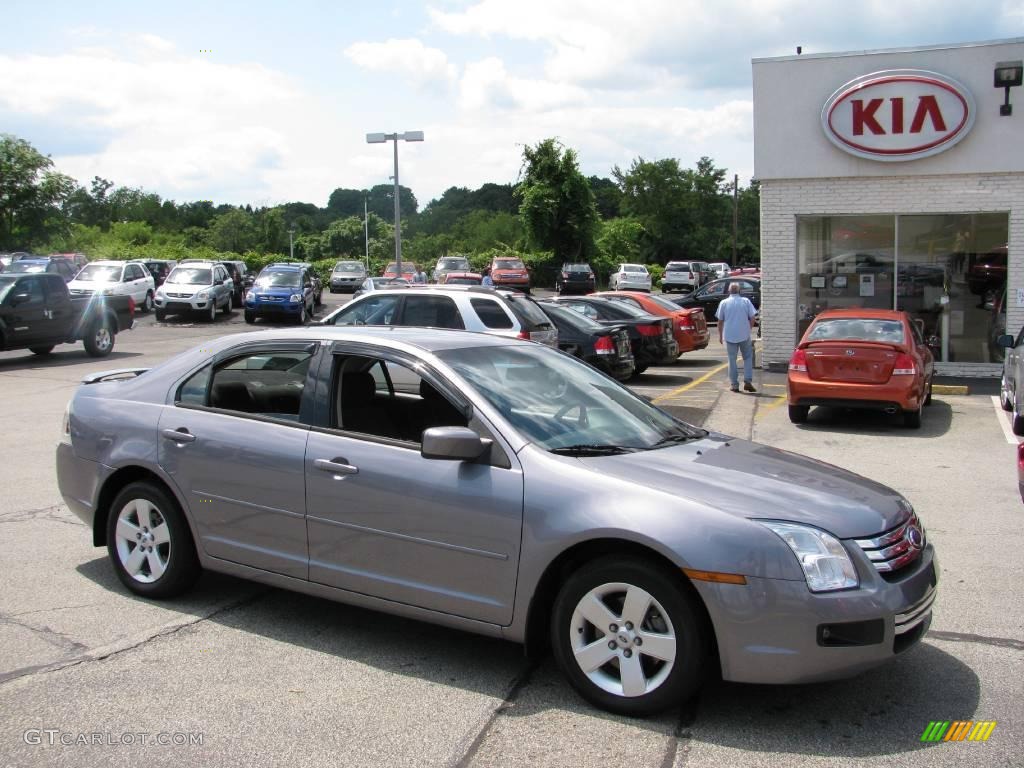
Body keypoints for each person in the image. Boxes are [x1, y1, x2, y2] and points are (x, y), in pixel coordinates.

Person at [716, 282, 758, 393]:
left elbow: (720, 321)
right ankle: (748, 381)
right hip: (744, 334)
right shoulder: (746, 301)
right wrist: (748, 329)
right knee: (747, 358)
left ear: (729, 291)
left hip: (729, 335)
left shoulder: (724, 303)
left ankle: (734, 385)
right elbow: (752, 318)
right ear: (739, 291)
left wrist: (720, 335)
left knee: (732, 360)